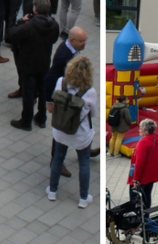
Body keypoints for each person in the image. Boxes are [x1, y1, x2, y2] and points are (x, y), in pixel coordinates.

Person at [47, 56, 97, 208]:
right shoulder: (90, 91)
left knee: (58, 158)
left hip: (60, 129)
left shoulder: (61, 82)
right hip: (80, 134)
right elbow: (92, 113)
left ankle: (52, 191)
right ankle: (83, 198)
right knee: (84, 163)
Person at [6, 0, 59, 131]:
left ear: (35, 10)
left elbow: (12, 34)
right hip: (44, 63)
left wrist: (20, 22)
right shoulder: (54, 25)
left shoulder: (29, 26)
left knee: (28, 93)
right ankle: (41, 118)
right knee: (42, 91)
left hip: (28, 63)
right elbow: (53, 40)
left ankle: (26, 120)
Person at [44, 27, 87, 179]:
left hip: (69, 98)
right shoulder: (64, 56)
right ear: (72, 40)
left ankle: (84, 150)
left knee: (75, 126)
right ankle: (56, 160)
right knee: (63, 128)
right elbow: (51, 77)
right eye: (82, 41)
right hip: (63, 100)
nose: (85, 44)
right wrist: (49, 101)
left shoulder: (69, 48)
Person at [128, 118, 158, 209]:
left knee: (135, 200)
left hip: (141, 176)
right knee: (147, 197)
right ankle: (146, 218)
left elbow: (139, 162)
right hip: (151, 175)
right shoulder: (157, 139)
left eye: (141, 128)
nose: (139, 130)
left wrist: (135, 179)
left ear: (146, 131)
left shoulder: (143, 142)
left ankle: (137, 220)